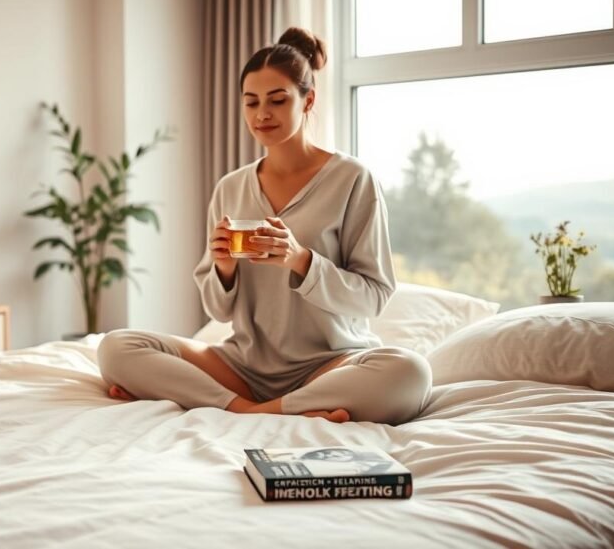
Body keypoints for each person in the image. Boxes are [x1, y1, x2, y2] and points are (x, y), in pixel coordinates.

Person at [96, 27, 431, 425]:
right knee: (116, 348)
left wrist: (301, 260)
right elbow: (218, 312)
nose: (262, 114)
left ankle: (253, 410)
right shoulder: (231, 187)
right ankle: (253, 409)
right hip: (243, 366)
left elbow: (373, 296)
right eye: (251, 102)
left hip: (330, 363)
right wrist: (223, 269)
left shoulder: (353, 179)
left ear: (308, 99)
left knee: (411, 373)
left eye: (277, 100)